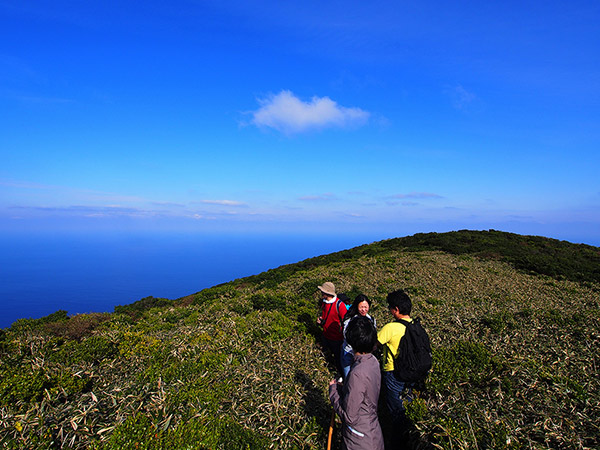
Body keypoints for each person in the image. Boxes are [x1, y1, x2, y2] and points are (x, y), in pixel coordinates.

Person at [329, 316, 384, 450]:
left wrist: (334, 391)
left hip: (359, 439)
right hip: (374, 432)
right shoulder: (373, 361)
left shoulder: (357, 373)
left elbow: (349, 417)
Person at [377, 289, 415, 427]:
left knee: (395, 408)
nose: (389, 310)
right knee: (407, 402)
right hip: (412, 372)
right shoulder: (415, 325)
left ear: (396, 309)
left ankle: (398, 435)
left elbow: (374, 344)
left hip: (393, 372)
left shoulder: (390, 328)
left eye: (390, 308)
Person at [341, 294, 377, 379]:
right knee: (349, 376)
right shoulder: (349, 320)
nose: (364, 310)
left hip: (364, 354)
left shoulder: (371, 319)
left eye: (366, 307)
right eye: (361, 307)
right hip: (349, 352)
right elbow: (346, 335)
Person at [316, 282, 347, 377]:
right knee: (328, 356)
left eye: (323, 291)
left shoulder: (340, 305)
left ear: (327, 292)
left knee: (338, 359)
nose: (321, 293)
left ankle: (341, 376)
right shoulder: (324, 303)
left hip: (337, 338)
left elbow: (346, 322)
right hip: (326, 335)